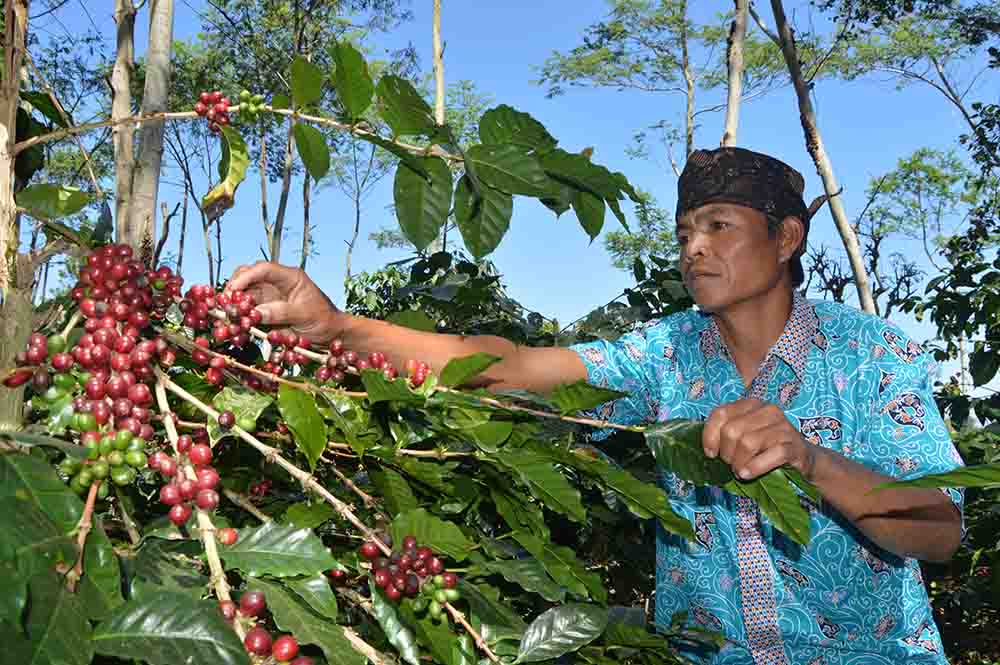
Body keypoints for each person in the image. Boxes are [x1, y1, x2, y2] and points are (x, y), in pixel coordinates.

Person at [227, 147, 964, 665]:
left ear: (787, 238)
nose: (693, 249)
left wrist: (807, 457)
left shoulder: (872, 355)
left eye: (718, 226)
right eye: (683, 232)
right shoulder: (663, 354)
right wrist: (340, 328)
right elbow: (508, 366)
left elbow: (938, 529)